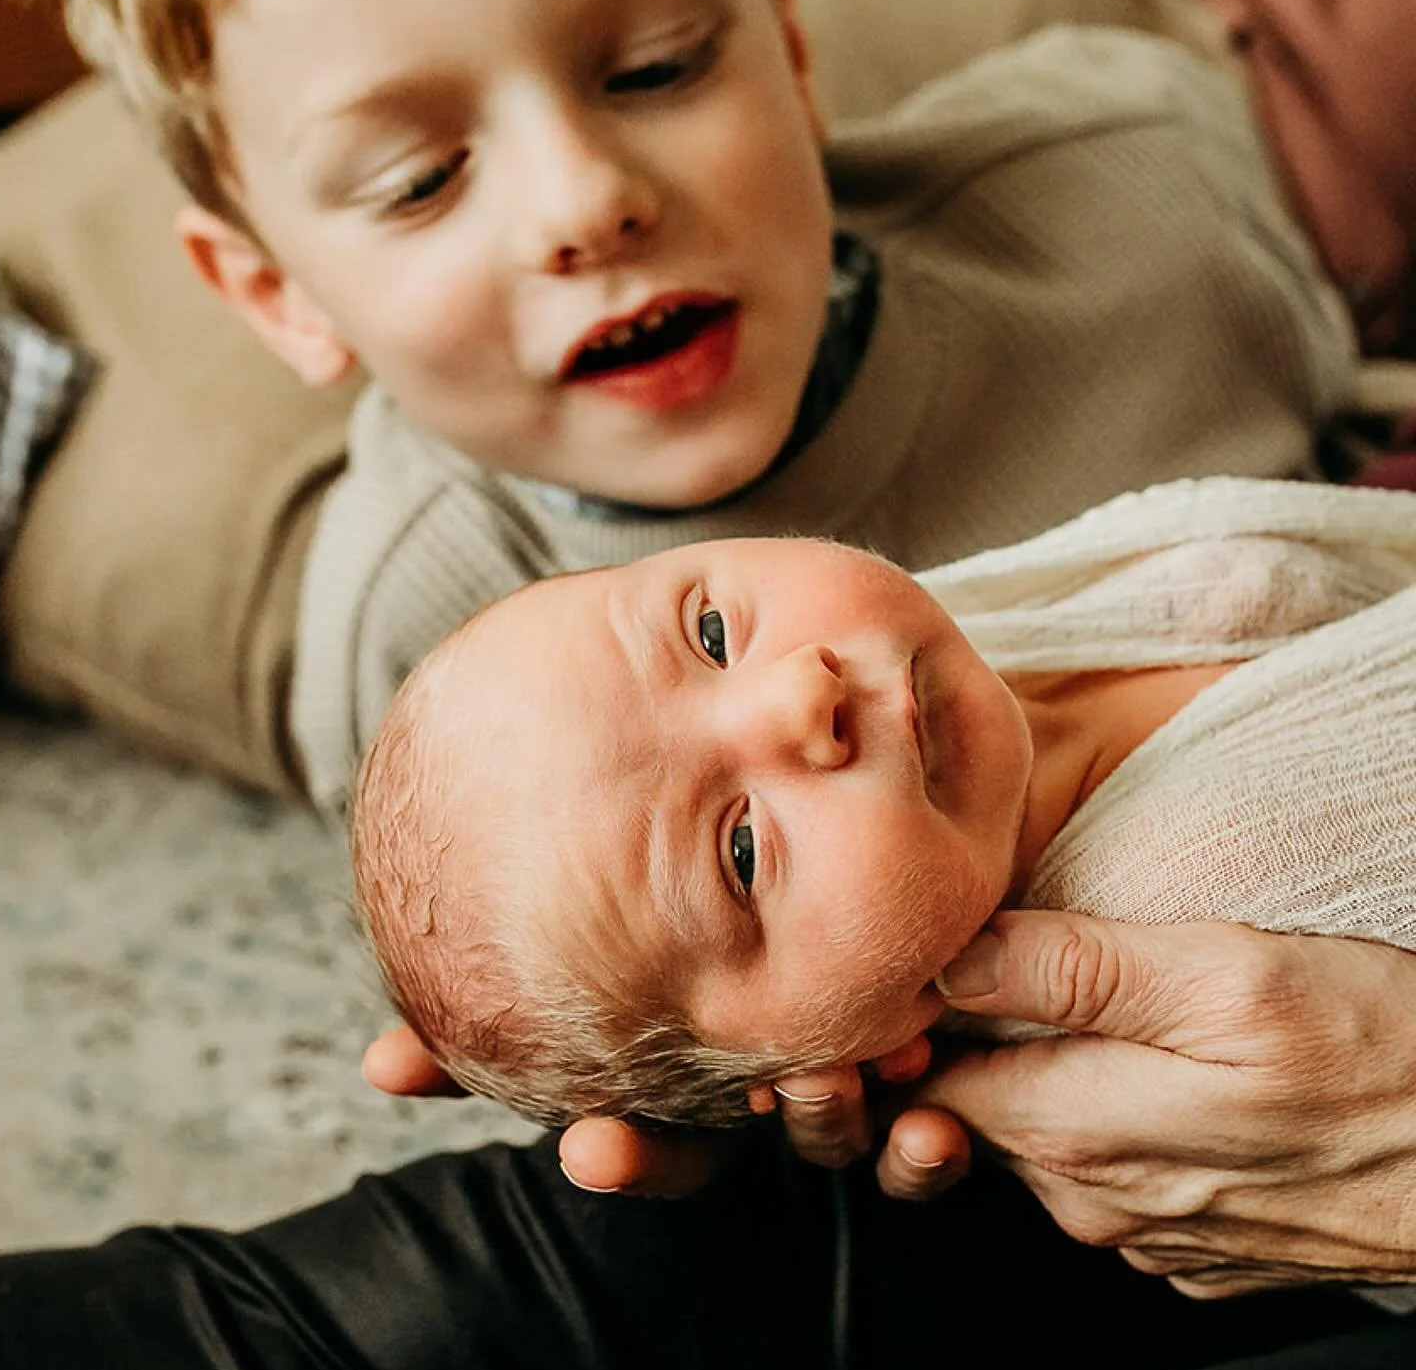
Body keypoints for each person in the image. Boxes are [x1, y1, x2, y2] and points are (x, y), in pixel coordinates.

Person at [8, 0, 1360, 813]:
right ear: (277, 298)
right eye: (418, 181)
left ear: (790, 48)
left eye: (659, 66)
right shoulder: (415, 643)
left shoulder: (1147, 205)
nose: (587, 201)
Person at [348, 476, 1416, 1148]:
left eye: (710, 633)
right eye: (742, 848)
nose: (797, 694)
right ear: (812, 1062)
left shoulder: (993, 632)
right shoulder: (1197, 910)